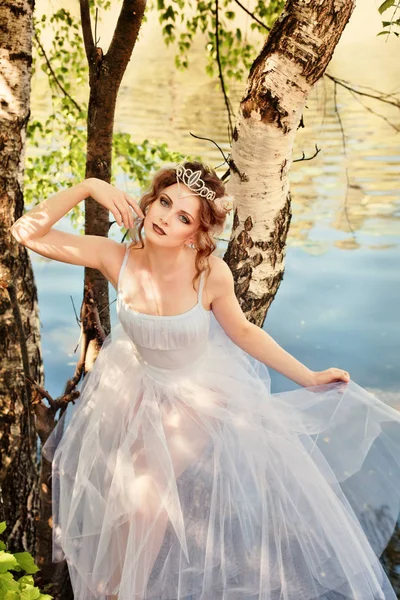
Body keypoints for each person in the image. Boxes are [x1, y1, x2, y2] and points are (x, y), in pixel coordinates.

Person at [10, 161, 400, 600]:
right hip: (133, 385)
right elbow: (26, 232)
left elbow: (245, 332)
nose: (164, 217)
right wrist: (88, 187)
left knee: (146, 494)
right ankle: (112, 589)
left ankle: (122, 593)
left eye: (183, 216)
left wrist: (308, 376)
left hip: (194, 396)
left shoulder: (208, 273)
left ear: (195, 234)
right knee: (119, 501)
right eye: (163, 202)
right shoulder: (117, 257)